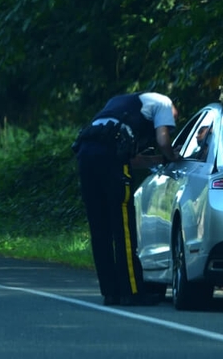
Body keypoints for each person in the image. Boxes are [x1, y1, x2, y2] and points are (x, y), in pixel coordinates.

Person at [72, 92, 181, 306]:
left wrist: (158, 159)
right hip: (110, 154)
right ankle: (132, 292)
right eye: (173, 121)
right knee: (123, 228)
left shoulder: (120, 103)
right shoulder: (165, 103)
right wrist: (172, 156)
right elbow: (163, 140)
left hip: (86, 155)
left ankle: (110, 292)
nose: (171, 123)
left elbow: (131, 160)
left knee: (99, 229)